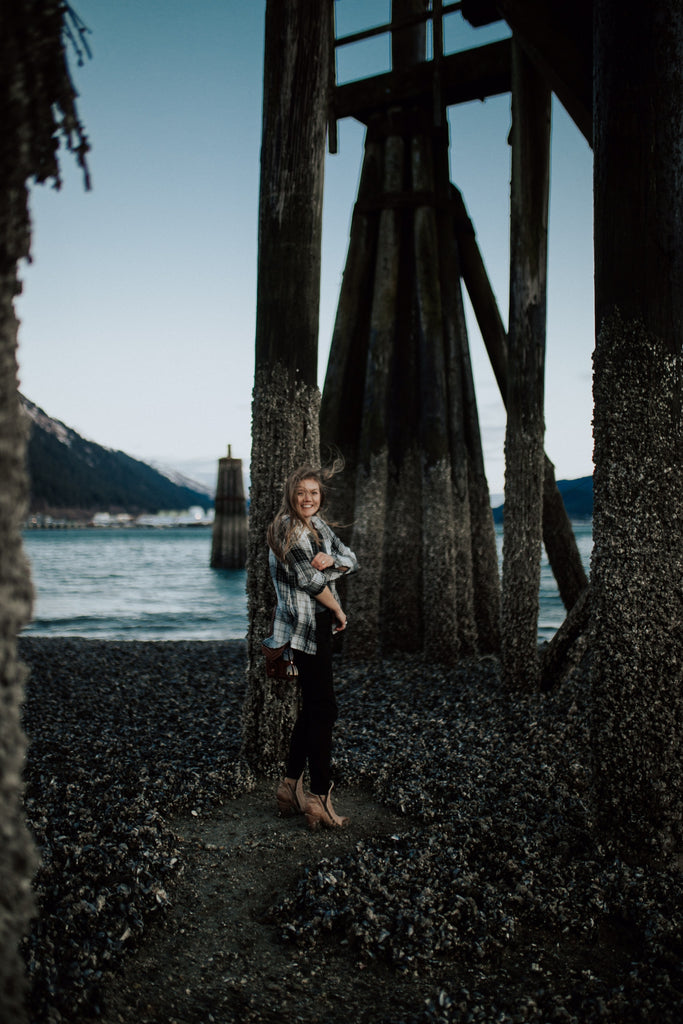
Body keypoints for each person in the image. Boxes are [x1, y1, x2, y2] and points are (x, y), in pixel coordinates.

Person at [264, 462, 359, 830]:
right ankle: (319, 794)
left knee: (313, 707)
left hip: (319, 627)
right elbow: (308, 580)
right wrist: (337, 608)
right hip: (304, 630)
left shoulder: (318, 526)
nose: (308, 498)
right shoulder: (286, 530)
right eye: (301, 492)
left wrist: (332, 560)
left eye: (314, 493)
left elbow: (351, 558)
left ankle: (290, 786)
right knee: (325, 709)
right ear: (291, 495)